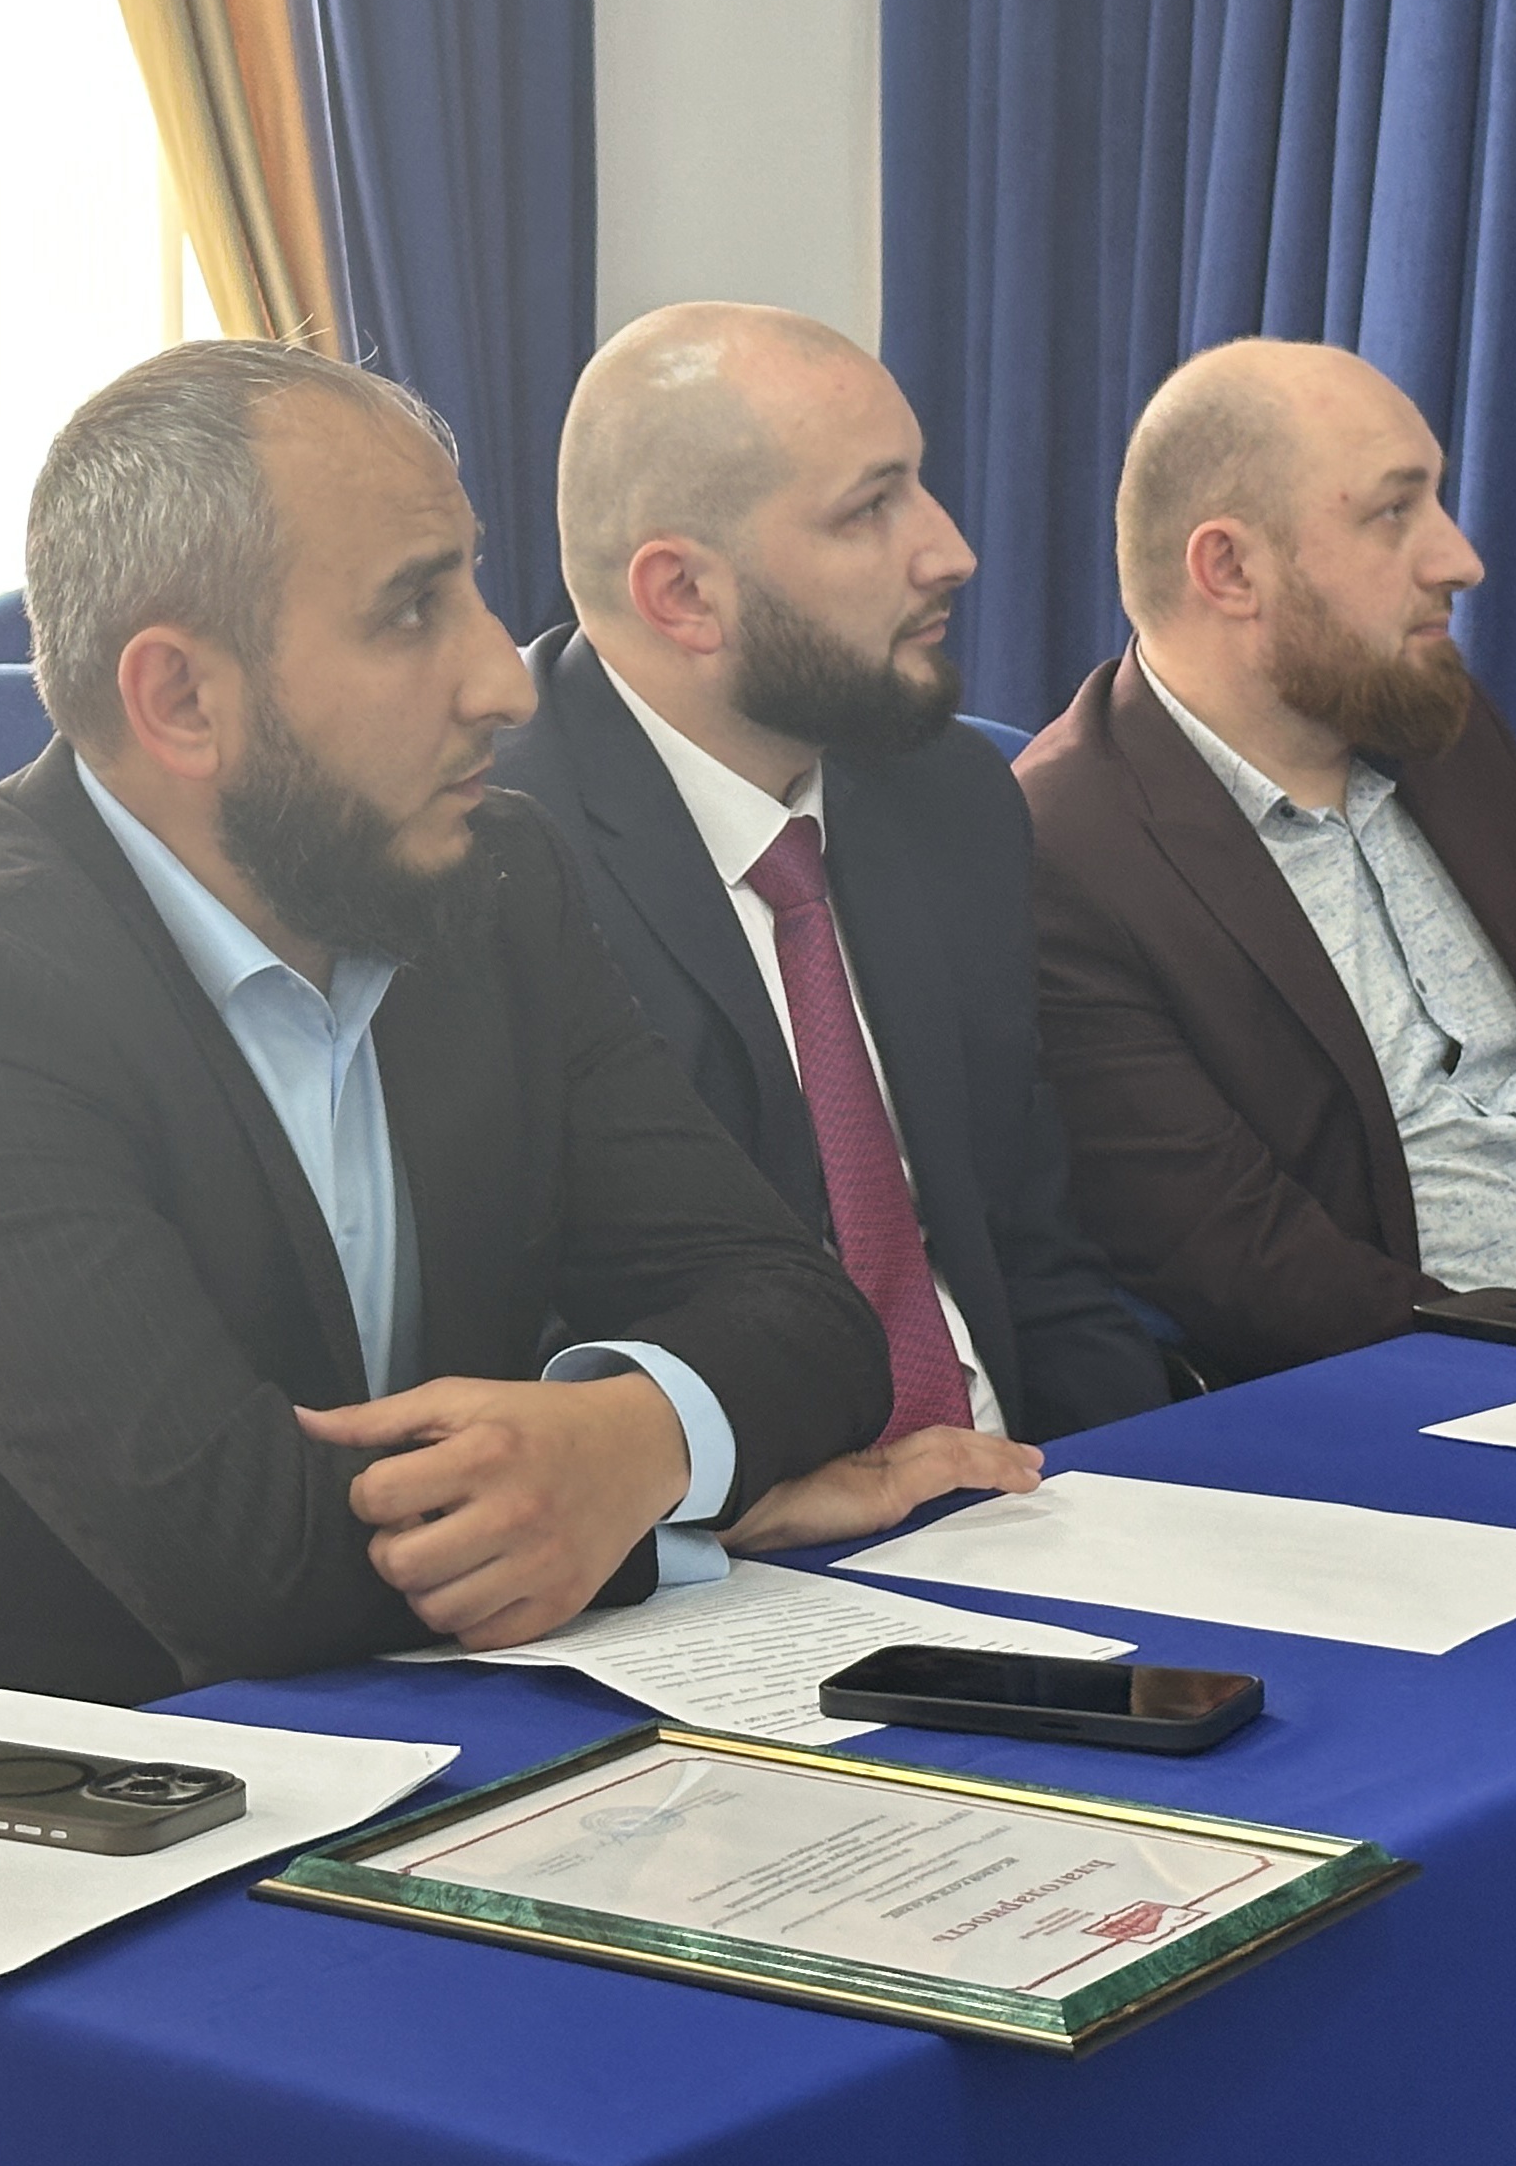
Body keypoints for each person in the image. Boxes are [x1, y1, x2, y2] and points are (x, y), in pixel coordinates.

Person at [0, 342, 896, 1819]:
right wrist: (657, 1510)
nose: (505, 679)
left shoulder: (489, 882)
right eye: (411, 610)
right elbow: (244, 1565)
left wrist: (640, 1436)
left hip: (352, 1743)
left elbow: (800, 1312)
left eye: (474, 588)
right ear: (180, 699)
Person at [1018, 337, 1516, 1383]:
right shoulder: (1061, 850)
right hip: (1432, 1400)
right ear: (1230, 569)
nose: (1459, 559)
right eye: (1394, 512)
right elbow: (1238, 1260)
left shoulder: (1442, 729)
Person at [498, 302, 1166, 1475]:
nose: (950, 550)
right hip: (733, 1526)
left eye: (921, 484)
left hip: (1014, 1493)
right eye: (870, 508)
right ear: (684, 595)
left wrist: (1144, 1492)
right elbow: (516, 1335)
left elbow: (1039, 1258)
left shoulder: (950, 796)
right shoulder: (490, 855)